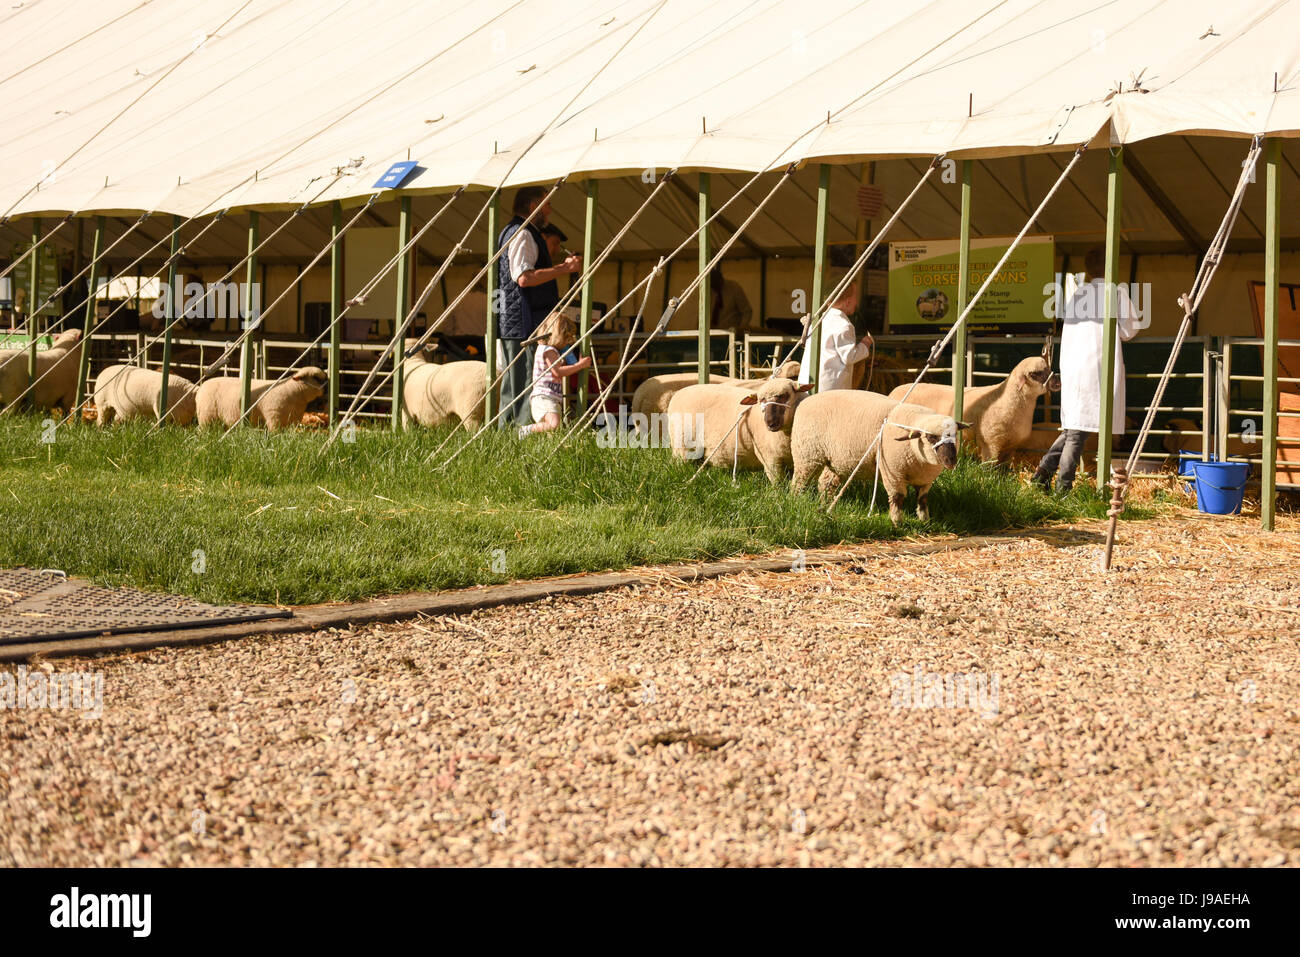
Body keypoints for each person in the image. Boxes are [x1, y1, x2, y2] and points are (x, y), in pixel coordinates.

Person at [1033, 247, 1140, 494]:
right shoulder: (1116, 293)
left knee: (1075, 427)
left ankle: (1042, 474)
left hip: (1073, 367)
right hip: (1098, 368)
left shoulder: (1077, 295)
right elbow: (1129, 331)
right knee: (1076, 432)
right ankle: (1063, 487)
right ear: (1111, 266)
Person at [496, 186, 581, 426]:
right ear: (534, 207)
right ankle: (521, 435)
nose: (550, 211)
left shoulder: (513, 231)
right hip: (525, 322)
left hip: (517, 320)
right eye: (547, 205)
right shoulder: (523, 234)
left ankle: (507, 435)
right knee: (523, 383)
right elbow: (523, 277)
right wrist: (565, 268)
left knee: (513, 383)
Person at [518, 313, 591, 437]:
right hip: (544, 396)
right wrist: (579, 365)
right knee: (554, 424)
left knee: (552, 430)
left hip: (550, 397)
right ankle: (525, 431)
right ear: (557, 335)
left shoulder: (550, 350)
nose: (568, 343)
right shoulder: (548, 350)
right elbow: (557, 371)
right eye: (566, 338)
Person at [798, 273, 872, 391]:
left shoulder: (818, 320)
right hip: (831, 387)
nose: (857, 303)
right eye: (855, 298)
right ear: (847, 302)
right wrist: (865, 345)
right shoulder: (844, 325)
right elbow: (849, 356)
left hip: (808, 382)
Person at [710, 264, 758, 336]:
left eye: (716, 285)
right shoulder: (708, 291)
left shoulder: (734, 288)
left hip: (731, 334)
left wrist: (740, 329)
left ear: (721, 279)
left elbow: (747, 311)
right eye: (712, 285)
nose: (714, 288)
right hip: (712, 334)